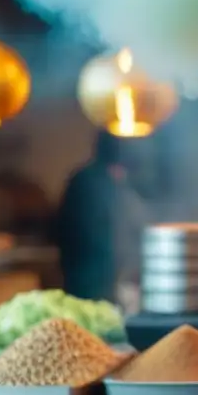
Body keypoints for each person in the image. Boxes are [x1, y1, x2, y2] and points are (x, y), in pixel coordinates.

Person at [55, 130, 147, 306]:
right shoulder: (88, 182)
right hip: (88, 280)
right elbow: (69, 230)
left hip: (106, 280)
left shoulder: (118, 184)